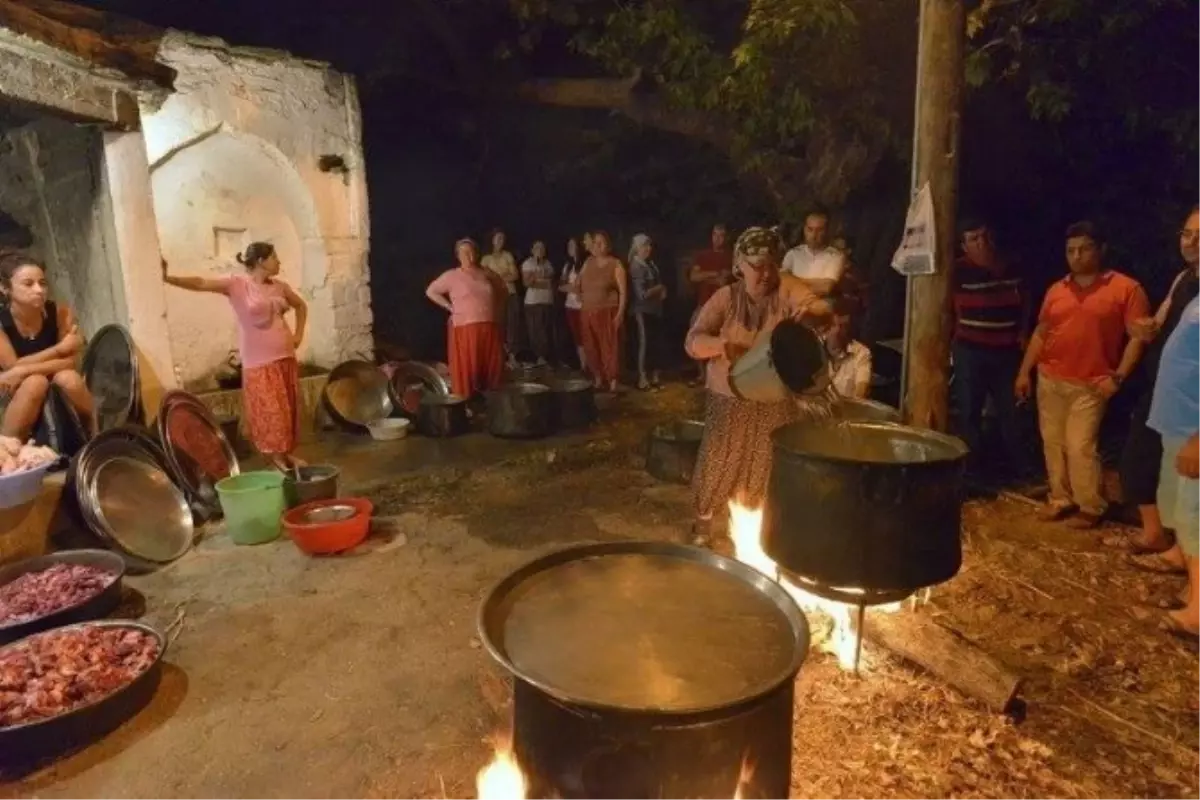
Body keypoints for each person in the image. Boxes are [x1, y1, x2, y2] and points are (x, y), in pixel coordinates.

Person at [686, 227, 832, 544]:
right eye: (756, 265)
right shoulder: (725, 298)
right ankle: (703, 525)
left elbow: (820, 309)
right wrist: (722, 346)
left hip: (775, 397)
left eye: (769, 264)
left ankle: (753, 531)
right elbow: (693, 341)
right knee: (720, 457)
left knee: (764, 462)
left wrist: (813, 316)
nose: (764, 274)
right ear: (740, 265)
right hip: (729, 396)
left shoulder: (785, 288)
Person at [1014, 221, 1149, 528]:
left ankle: (1091, 505)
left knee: (1080, 445)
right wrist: (1025, 371)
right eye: (1070, 250)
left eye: (1084, 248)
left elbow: (1138, 337)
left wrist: (1118, 377)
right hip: (1051, 376)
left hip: (1091, 382)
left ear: (1101, 249)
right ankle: (1061, 497)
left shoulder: (1126, 289)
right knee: (1053, 441)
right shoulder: (1057, 289)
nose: (1076, 256)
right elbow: (1042, 332)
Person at [163, 242, 308, 471]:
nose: (279, 262)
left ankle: (287, 454)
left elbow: (301, 306)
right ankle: (275, 457)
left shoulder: (280, 287)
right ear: (261, 261)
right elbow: (201, 283)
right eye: (274, 257)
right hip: (259, 362)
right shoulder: (237, 285)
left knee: (288, 410)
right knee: (271, 412)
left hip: (285, 357)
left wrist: (298, 335)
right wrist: (168, 278)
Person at [1122, 206, 1200, 566]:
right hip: (1164, 393)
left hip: (1192, 408)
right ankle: (1169, 546)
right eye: (1187, 234)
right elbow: (1158, 322)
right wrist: (1145, 328)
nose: (1192, 242)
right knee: (1153, 468)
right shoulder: (1184, 279)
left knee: (1190, 489)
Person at [951, 218, 1033, 480]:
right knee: (969, 412)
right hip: (970, 350)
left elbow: (1026, 300)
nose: (982, 243)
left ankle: (1024, 471)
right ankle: (970, 473)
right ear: (964, 246)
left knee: (1012, 412)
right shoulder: (957, 271)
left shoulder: (1011, 265)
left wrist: (1023, 331)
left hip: (1006, 351)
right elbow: (945, 307)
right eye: (974, 239)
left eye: (985, 236)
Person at [1146, 286, 1200, 641]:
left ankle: (1197, 614)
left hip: (1195, 430)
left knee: (1197, 520)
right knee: (1183, 516)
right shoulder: (1195, 296)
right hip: (1178, 422)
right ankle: (1192, 589)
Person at [0, 253, 93, 441]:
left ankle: (97, 434)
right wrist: (59, 350)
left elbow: (70, 362)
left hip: (56, 380)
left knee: (69, 378)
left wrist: (24, 368)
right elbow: (11, 368)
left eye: (42, 283)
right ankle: (8, 450)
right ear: (5, 288)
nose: (39, 290)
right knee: (35, 383)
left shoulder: (60, 312)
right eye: (28, 284)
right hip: (10, 393)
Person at [425, 238, 507, 400]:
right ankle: (467, 403)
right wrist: (450, 307)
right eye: (463, 252)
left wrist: (496, 311)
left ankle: (492, 401)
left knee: (490, 368)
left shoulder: (486, 273)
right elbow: (431, 291)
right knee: (468, 367)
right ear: (457, 255)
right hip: (465, 326)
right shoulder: (452, 275)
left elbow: (502, 290)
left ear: (476, 254)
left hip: (488, 325)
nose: (468, 255)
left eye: (470, 251)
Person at [578, 231, 627, 392]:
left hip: (607, 310)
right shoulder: (588, 262)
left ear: (608, 245)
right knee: (590, 345)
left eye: (602, 242)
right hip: (588, 310)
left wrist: (620, 313)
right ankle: (598, 378)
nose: (598, 246)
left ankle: (612, 381)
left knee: (609, 346)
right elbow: (578, 283)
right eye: (596, 242)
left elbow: (623, 292)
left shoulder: (615, 264)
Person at [687, 224, 733, 386]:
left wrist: (707, 277)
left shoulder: (730, 257)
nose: (718, 238)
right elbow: (694, 276)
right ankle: (701, 374)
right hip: (704, 303)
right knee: (696, 334)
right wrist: (714, 274)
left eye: (721, 235)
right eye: (715, 235)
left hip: (724, 306)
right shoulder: (703, 256)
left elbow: (726, 281)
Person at [627, 233, 669, 390]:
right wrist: (660, 288)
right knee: (644, 342)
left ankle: (654, 376)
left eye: (649, 245)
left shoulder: (650, 264)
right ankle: (642, 378)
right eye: (645, 246)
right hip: (642, 310)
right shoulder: (636, 266)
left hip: (655, 309)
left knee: (654, 342)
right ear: (637, 248)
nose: (648, 249)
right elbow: (642, 294)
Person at [781, 208, 847, 296]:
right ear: (804, 230)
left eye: (819, 230)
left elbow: (826, 288)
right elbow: (783, 283)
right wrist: (816, 282)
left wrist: (793, 280)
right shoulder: (793, 254)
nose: (814, 235)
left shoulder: (835, 256)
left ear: (827, 231)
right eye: (810, 229)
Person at [481, 228, 521, 367]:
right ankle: (499, 356)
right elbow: (485, 278)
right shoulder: (486, 259)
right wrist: (502, 276)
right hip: (495, 297)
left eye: (502, 239)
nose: (500, 241)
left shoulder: (507, 255)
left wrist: (497, 276)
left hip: (510, 293)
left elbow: (515, 275)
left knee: (513, 325)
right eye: (498, 238)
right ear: (492, 240)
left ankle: (512, 356)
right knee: (499, 325)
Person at [826, 295, 871, 399]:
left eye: (843, 326)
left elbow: (861, 390)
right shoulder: (815, 349)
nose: (837, 331)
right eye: (833, 325)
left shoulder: (861, 352)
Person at [520, 241, 555, 366]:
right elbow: (527, 283)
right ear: (532, 250)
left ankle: (545, 357)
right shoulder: (527, 263)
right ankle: (538, 356)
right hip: (533, 301)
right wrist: (539, 277)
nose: (540, 250)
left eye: (542, 248)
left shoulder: (548, 264)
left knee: (545, 329)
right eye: (537, 248)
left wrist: (536, 278)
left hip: (547, 301)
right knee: (535, 330)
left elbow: (550, 283)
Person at [559, 237, 587, 371]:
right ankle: (583, 366)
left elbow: (583, 286)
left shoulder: (585, 264)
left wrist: (573, 287)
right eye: (568, 245)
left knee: (585, 335)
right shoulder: (567, 266)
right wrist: (572, 287)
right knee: (577, 337)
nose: (570, 248)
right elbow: (560, 286)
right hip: (570, 305)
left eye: (573, 245)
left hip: (583, 305)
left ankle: (591, 366)